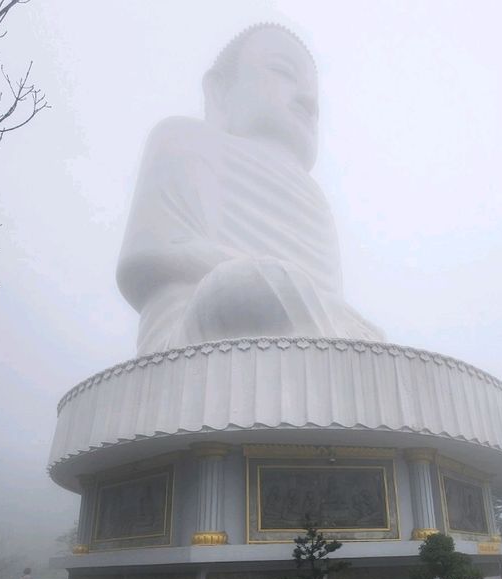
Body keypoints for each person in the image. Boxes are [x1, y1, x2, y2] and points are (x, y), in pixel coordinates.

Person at [116, 23, 383, 355]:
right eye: (283, 72)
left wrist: (327, 310)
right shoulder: (182, 140)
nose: (308, 100)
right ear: (220, 91)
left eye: (314, 93)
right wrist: (271, 277)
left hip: (307, 340)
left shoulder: (314, 199)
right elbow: (145, 254)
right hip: (191, 328)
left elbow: (325, 306)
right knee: (247, 286)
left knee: (373, 341)